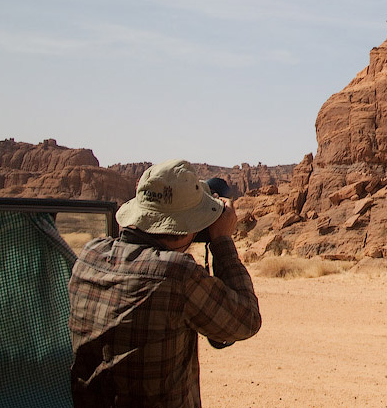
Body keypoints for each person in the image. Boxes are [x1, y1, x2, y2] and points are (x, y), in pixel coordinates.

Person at [68, 159, 261, 407]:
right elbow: (247, 320)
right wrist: (221, 240)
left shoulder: (89, 255)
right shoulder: (175, 275)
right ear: (185, 226)